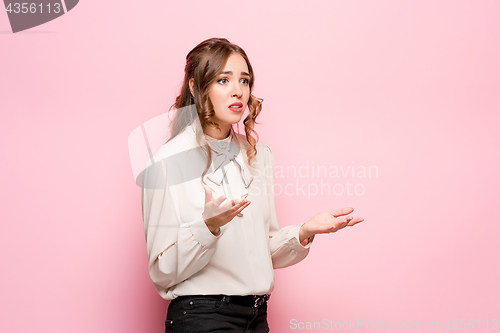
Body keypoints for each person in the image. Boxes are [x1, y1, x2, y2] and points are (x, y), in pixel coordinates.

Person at [141, 37, 364, 333]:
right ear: (195, 87)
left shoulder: (258, 155)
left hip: (256, 318)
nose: (238, 91)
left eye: (244, 81)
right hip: (203, 318)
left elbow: (261, 250)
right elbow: (162, 271)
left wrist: (304, 231)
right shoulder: (167, 162)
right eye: (223, 80)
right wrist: (207, 227)